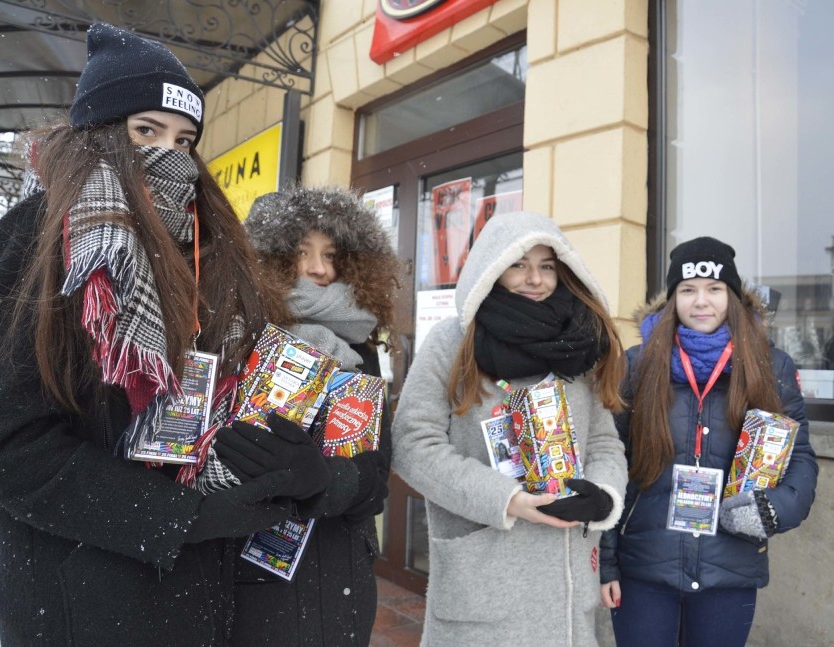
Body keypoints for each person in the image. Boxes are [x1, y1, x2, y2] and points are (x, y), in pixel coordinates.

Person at [0, 23, 331, 646]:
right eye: (146, 131)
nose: (169, 153)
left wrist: (279, 458)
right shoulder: (39, 236)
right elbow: (8, 443)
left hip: (200, 587)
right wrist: (175, 514)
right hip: (83, 597)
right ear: (100, 133)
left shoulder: (210, 246)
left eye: (185, 139)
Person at [392, 211, 629, 646]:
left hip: (568, 585)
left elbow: (603, 441)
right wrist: (508, 500)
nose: (534, 278)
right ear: (492, 268)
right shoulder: (453, 341)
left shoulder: (582, 343)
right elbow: (412, 445)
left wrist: (602, 497)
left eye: (547, 266)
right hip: (484, 582)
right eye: (518, 264)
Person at [599, 237, 818, 647]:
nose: (702, 302)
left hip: (729, 567)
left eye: (714, 289)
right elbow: (611, 462)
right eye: (688, 290)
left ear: (732, 297)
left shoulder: (771, 367)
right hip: (644, 569)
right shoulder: (637, 364)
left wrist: (774, 510)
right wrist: (606, 565)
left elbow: (800, 457)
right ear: (672, 300)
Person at [214, 184, 399, 646]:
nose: (318, 269)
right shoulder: (234, 331)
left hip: (343, 572)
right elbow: (206, 461)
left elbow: (376, 475)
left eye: (331, 254)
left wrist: (324, 480)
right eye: (301, 252)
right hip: (251, 572)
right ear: (269, 255)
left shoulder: (361, 346)